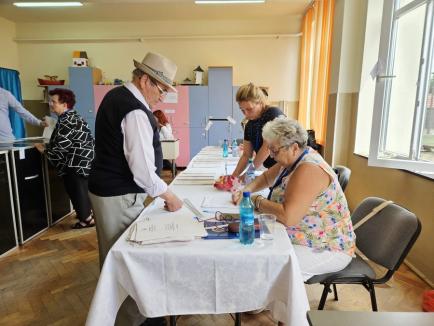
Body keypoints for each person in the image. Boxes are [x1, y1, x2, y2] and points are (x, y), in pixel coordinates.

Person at [88, 52, 183, 326]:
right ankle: (134, 319)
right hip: (117, 194)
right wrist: (170, 195)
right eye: (162, 89)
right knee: (127, 260)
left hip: (110, 190)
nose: (163, 97)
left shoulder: (118, 96)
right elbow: (143, 172)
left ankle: (127, 314)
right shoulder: (133, 109)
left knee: (116, 256)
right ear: (145, 80)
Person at [232, 117, 355, 282]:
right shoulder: (293, 158)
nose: (272, 156)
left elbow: (288, 217)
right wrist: (245, 191)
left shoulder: (309, 168)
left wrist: (256, 200)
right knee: (254, 254)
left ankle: (272, 304)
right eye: (270, 149)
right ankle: (261, 301)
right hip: (303, 235)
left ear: (294, 147)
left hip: (326, 246)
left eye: (274, 150)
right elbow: (267, 177)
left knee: (271, 264)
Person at [34, 88, 95, 229]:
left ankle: (86, 220)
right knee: (81, 190)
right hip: (83, 161)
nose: (51, 104)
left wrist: (45, 150)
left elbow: (62, 146)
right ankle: (86, 215)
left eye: (53, 102)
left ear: (64, 105)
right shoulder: (71, 117)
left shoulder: (67, 120)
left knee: (77, 191)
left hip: (76, 162)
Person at [231, 83, 284, 180]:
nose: (246, 114)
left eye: (249, 109)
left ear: (260, 102)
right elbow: (246, 155)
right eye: (242, 110)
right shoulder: (249, 125)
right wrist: (233, 176)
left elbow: (267, 148)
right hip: (272, 169)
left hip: (287, 168)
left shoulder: (272, 113)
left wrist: (249, 172)